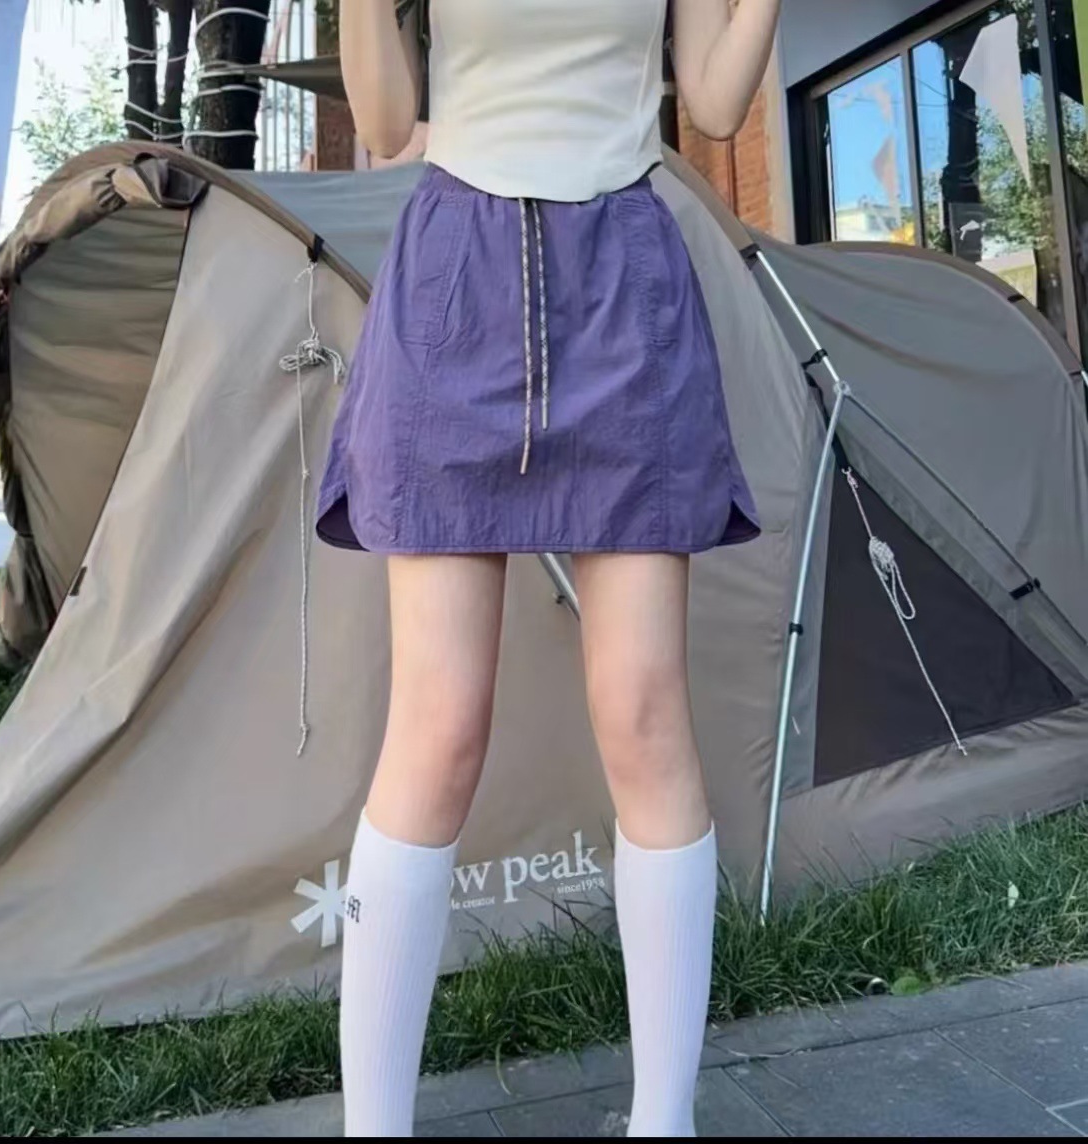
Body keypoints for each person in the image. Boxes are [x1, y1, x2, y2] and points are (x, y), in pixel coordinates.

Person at [316, 0, 780, 1135]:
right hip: (457, 282)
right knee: (439, 725)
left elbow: (715, 101)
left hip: (625, 280)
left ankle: (663, 1123)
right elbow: (386, 122)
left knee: (643, 713)